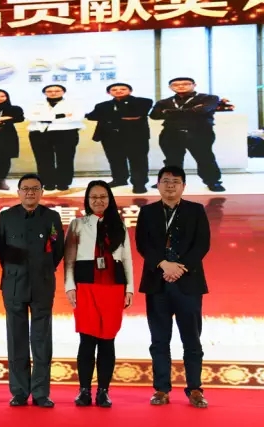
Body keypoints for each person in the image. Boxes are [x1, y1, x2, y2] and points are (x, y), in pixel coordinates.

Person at [135, 165, 210, 408]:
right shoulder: (147, 212)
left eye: (175, 181)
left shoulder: (196, 210)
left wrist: (179, 268)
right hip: (157, 284)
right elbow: (142, 244)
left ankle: (195, 389)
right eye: (165, 181)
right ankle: (161, 389)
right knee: (159, 340)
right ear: (158, 185)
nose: (170, 185)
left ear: (183, 186)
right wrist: (163, 265)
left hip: (188, 283)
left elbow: (202, 244)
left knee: (192, 340)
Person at [0, 173, 65, 407]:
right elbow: (0, 249)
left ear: (42, 192)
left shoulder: (52, 217)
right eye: (25, 188)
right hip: (14, 284)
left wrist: (43, 268)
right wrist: (14, 270)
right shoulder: (6, 217)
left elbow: (57, 249)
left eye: (35, 188)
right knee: (16, 338)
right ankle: (19, 391)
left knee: (41, 339)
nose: (30, 192)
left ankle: (41, 392)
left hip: (42, 283)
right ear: (18, 192)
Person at [63, 180, 134, 408]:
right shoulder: (77, 224)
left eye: (103, 196)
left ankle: (103, 391)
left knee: (107, 341)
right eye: (93, 197)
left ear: (110, 199)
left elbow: (127, 258)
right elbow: (69, 259)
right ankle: (84, 390)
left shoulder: (119, 226)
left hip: (113, 288)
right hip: (86, 287)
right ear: (87, 200)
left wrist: (129, 288)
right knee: (87, 340)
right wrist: (70, 286)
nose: (98, 201)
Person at [149, 77, 225, 192]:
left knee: (205, 158)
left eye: (185, 84)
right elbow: (154, 116)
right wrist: (192, 110)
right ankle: (171, 182)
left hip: (200, 133)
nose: (180, 86)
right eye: (175, 85)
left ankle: (213, 182)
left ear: (194, 85)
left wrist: (169, 112)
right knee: (172, 159)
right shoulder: (164, 102)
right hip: (171, 133)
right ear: (170, 87)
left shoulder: (209, 98)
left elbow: (203, 110)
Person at [85, 83, 153, 194]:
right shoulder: (102, 105)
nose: (118, 91)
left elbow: (135, 114)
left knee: (138, 160)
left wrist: (109, 116)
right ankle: (119, 180)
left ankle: (139, 184)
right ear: (108, 92)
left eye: (123, 89)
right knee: (115, 159)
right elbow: (91, 116)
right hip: (109, 136)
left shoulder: (143, 101)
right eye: (114, 89)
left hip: (136, 136)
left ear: (130, 91)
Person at [27, 85, 85, 191]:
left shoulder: (74, 103)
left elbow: (77, 117)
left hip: (66, 132)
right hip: (39, 133)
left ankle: (63, 182)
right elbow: (30, 116)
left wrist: (43, 117)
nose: (53, 93)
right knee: (43, 159)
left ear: (63, 92)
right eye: (49, 91)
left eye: (57, 91)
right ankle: (47, 182)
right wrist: (62, 115)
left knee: (65, 159)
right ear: (44, 92)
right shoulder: (35, 104)